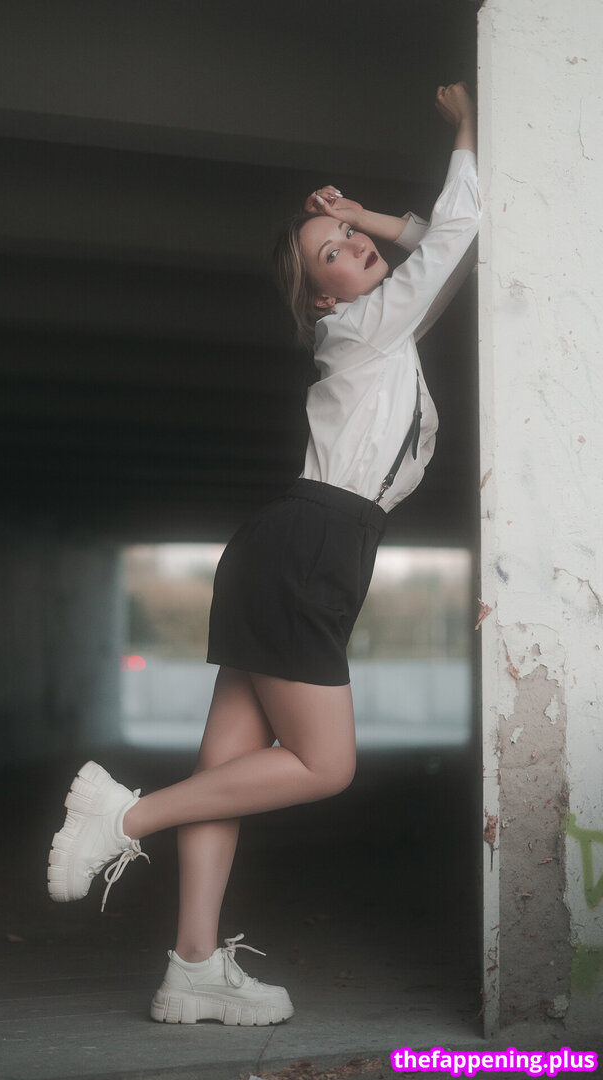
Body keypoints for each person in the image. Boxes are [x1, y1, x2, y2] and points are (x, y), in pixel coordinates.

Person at [46, 82, 480, 1027]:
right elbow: (453, 239)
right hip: (309, 547)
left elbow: (435, 255)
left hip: (291, 546)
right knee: (325, 765)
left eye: (353, 239)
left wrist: (361, 213)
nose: (356, 246)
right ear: (323, 294)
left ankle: (192, 968)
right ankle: (122, 817)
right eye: (335, 251)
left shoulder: (379, 332)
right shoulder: (363, 325)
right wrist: (467, 132)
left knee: (227, 775)